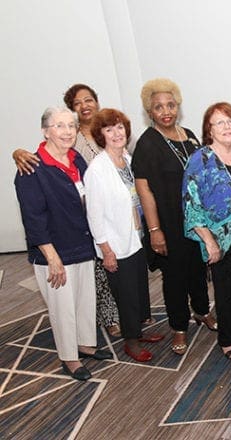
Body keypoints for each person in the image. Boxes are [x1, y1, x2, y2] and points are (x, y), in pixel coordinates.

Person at [12, 84, 121, 338]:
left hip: (101, 220)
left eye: (89, 99)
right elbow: (35, 211)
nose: (84, 106)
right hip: (74, 232)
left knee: (96, 283)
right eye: (77, 103)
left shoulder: (108, 131)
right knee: (81, 289)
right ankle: (93, 329)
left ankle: (95, 330)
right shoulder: (63, 148)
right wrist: (17, 152)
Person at [131, 78, 215, 356]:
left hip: (196, 220)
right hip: (167, 222)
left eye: (170, 104)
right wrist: (155, 230)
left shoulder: (189, 135)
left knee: (198, 270)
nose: (166, 111)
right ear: (149, 112)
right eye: (158, 107)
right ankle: (179, 326)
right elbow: (145, 192)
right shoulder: (147, 144)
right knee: (175, 276)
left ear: (177, 106)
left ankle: (202, 311)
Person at [183, 102, 231, 360]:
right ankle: (227, 337)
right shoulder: (200, 160)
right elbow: (191, 205)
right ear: (209, 129)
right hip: (220, 237)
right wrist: (209, 241)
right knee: (225, 286)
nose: (227, 127)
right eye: (220, 122)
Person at [85, 108, 164, 363]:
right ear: (101, 135)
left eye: (119, 127)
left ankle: (138, 332)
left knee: (139, 289)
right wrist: (106, 250)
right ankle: (130, 341)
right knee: (126, 293)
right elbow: (94, 216)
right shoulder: (97, 170)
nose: (116, 133)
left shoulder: (129, 160)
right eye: (109, 129)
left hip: (136, 238)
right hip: (116, 244)